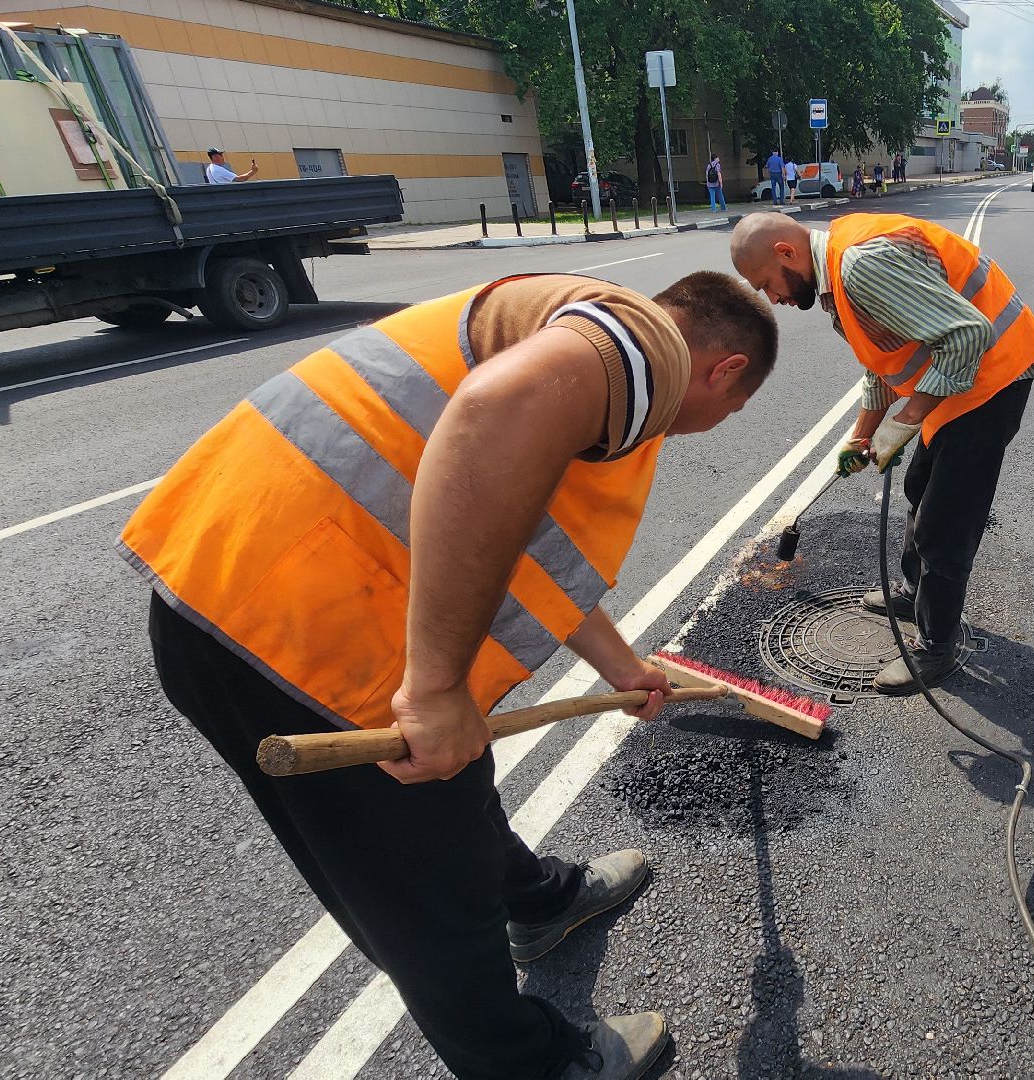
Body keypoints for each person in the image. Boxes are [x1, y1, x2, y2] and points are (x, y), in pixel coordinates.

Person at [124, 270, 779, 1080]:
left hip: (242, 587)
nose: (715, 425)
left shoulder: (570, 334)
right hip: (296, 640)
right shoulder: (646, 347)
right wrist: (435, 689)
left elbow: (514, 542)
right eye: (735, 413)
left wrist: (623, 668)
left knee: (455, 778)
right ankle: (532, 1066)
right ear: (727, 371)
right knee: (427, 892)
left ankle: (536, 899)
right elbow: (495, 417)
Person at [729, 211, 1034, 693]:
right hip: (957, 383)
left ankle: (936, 646)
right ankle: (914, 592)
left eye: (766, 284)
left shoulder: (860, 266)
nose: (771, 298)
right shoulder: (835, 277)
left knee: (946, 523)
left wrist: (905, 420)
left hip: (991, 380)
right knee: (920, 485)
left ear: (786, 253)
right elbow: (885, 359)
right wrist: (862, 436)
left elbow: (968, 335)